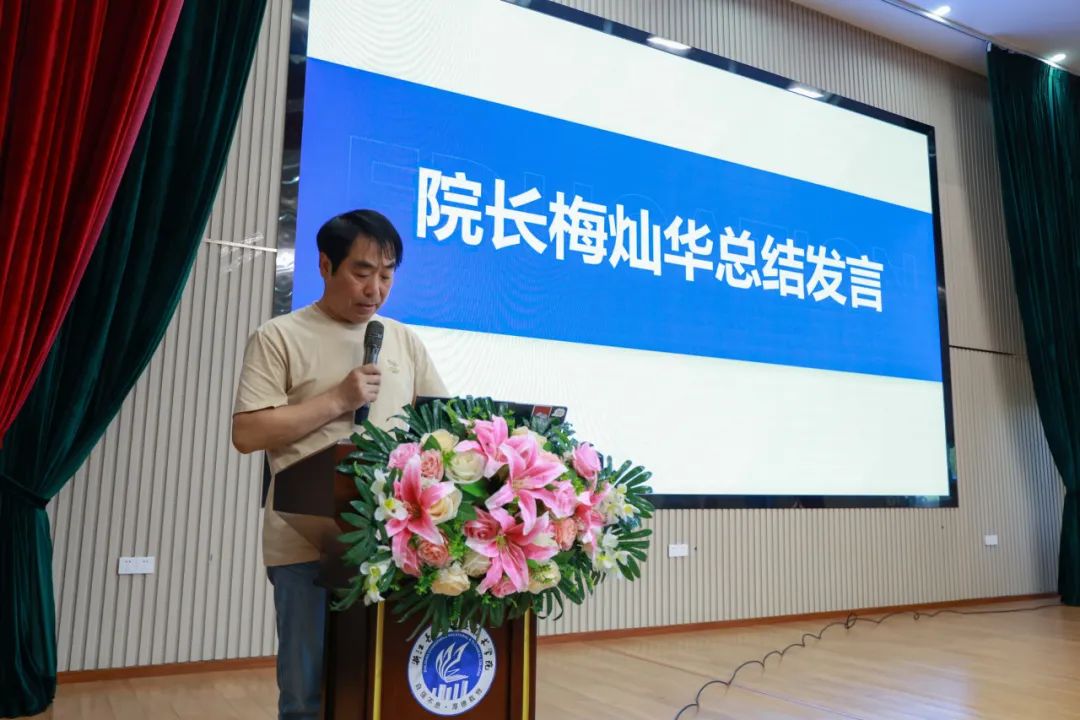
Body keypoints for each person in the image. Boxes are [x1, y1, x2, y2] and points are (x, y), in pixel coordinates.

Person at [231, 209, 447, 719]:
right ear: (326, 265)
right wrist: (337, 400)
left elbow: (441, 425)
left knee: (382, 690)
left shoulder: (403, 339)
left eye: (387, 275)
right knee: (305, 695)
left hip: (393, 544)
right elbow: (248, 433)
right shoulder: (279, 336)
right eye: (362, 272)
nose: (375, 290)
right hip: (305, 543)